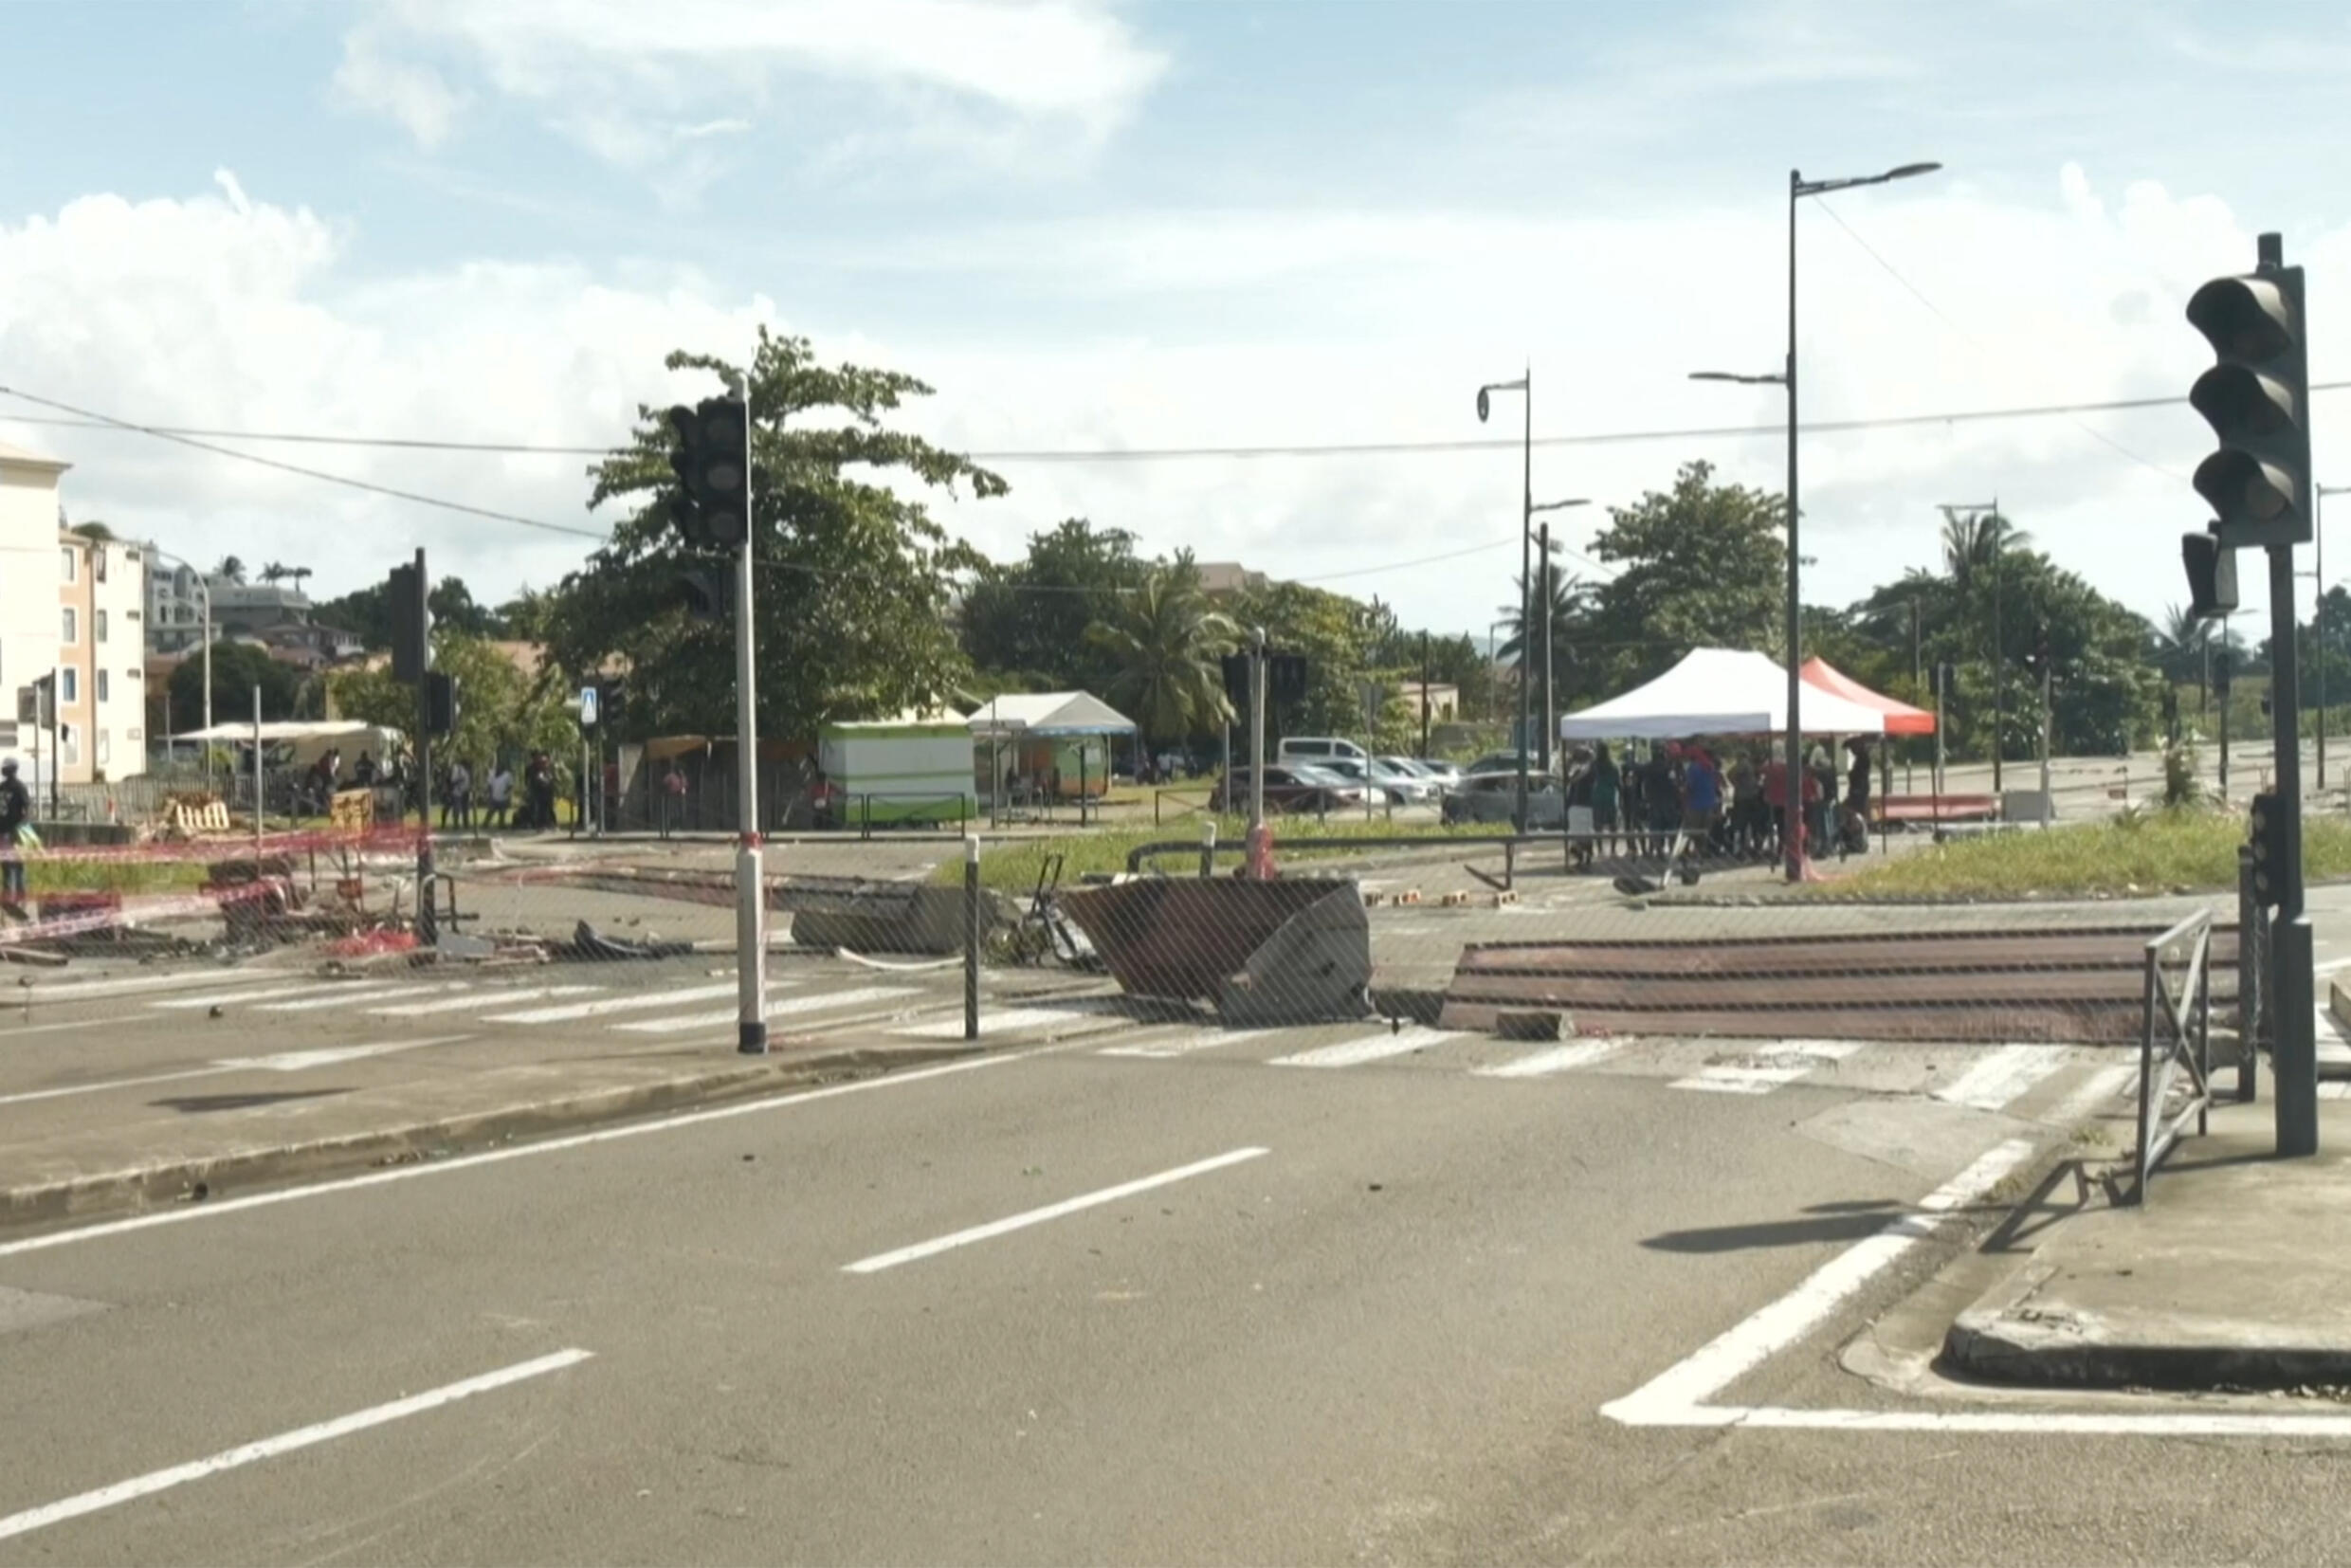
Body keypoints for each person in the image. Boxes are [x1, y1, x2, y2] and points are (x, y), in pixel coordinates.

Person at [0, 758, 29, 910]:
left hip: (14, 832)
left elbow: (26, 810)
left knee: (16, 866)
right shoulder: (3, 787)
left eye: (5, 767)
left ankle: (18, 899)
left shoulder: (18, 787)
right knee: (8, 866)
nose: (3, 770)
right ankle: (10, 900)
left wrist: (20, 828)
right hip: (4, 831)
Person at [485, 761, 515, 829]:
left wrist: (506, 792)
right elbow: (489, 785)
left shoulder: (508, 775)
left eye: (499, 768)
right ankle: (485, 824)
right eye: (497, 768)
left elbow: (511, 785)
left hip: (504, 798)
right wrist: (489, 795)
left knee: (502, 813)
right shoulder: (492, 774)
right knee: (490, 811)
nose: (498, 769)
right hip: (494, 797)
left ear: (503, 769)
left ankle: (501, 825)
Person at [661, 761, 686, 838]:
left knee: (679, 813)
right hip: (670, 797)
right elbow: (664, 783)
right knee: (669, 813)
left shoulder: (682, 778)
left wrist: (683, 787)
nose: (681, 772)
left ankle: (677, 826)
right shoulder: (670, 776)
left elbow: (685, 786)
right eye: (680, 770)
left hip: (679, 797)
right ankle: (667, 829)